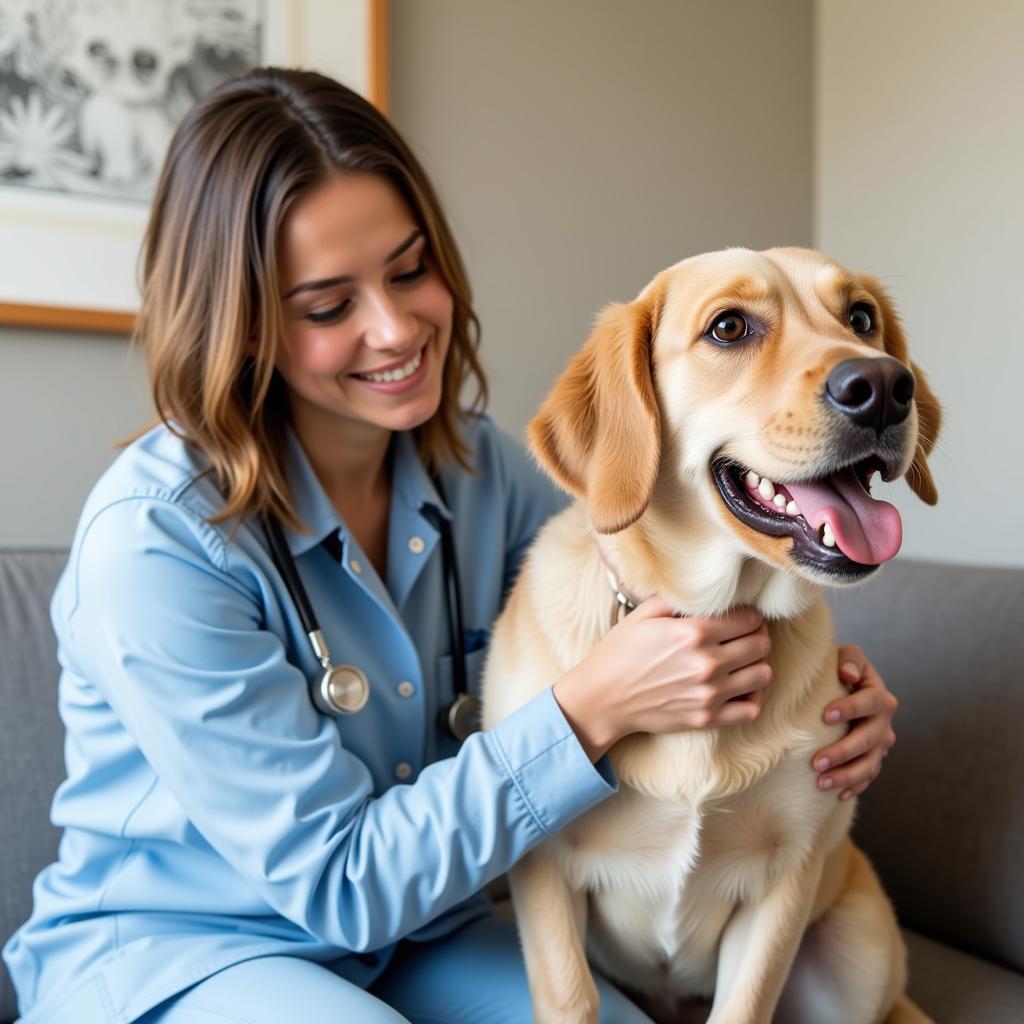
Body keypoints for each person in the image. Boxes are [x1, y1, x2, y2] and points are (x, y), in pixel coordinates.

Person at [2, 67, 899, 1024]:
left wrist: (828, 704)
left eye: (409, 270)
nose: (395, 327)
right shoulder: (153, 544)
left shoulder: (484, 474)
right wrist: (587, 712)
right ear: (246, 328)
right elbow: (341, 886)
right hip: (184, 951)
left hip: (425, 930)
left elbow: (654, 593)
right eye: (325, 306)